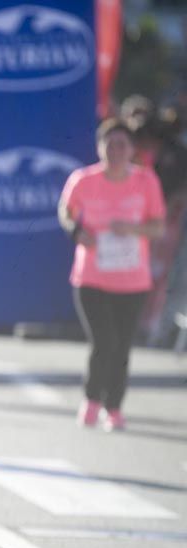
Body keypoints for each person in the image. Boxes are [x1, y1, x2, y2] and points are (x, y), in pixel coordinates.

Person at [58, 118, 166, 431]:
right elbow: (66, 210)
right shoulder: (83, 180)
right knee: (104, 340)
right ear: (99, 147)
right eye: (110, 144)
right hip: (91, 278)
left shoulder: (146, 182)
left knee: (122, 345)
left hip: (133, 281)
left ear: (131, 150)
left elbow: (158, 226)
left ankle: (114, 407)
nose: (116, 150)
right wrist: (78, 231)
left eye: (122, 144)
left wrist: (133, 228)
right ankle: (92, 399)